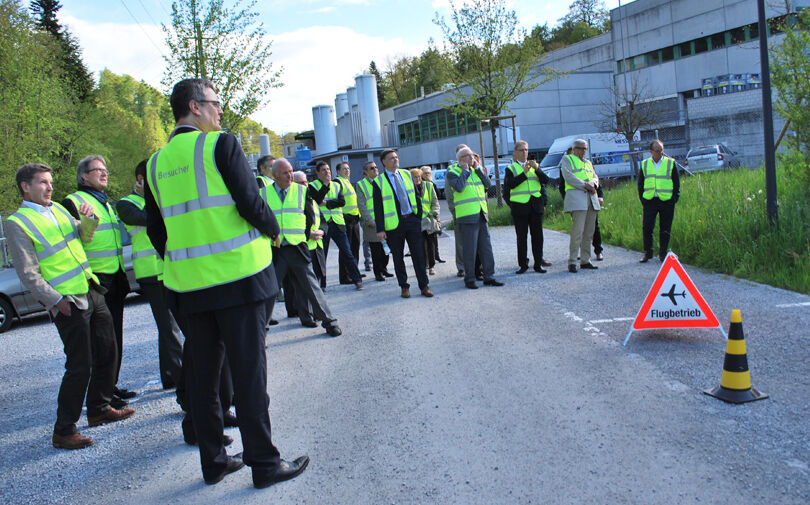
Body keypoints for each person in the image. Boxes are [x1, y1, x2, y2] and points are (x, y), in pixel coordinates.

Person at [145, 78, 308, 488]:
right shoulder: (219, 144)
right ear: (195, 107)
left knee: (203, 378)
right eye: (216, 104)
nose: (220, 111)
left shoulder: (154, 164)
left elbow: (157, 232)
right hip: (239, 280)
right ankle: (265, 464)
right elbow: (250, 202)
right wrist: (273, 230)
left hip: (187, 289)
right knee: (249, 374)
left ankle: (214, 461)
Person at [7, 163, 135, 450]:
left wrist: (89, 221)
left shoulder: (59, 210)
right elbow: (28, 273)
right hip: (67, 302)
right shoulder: (18, 222)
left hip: (89, 290)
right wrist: (55, 301)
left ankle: (100, 409)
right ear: (25, 187)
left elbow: (84, 236)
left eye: (50, 182)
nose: (50, 187)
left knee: (108, 352)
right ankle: (64, 430)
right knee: (80, 365)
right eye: (42, 182)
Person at [63, 155, 135, 407]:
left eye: (106, 170)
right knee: (101, 343)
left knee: (114, 337)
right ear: (83, 176)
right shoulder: (73, 202)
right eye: (98, 171)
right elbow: (76, 241)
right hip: (96, 281)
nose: (105, 174)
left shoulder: (105, 203)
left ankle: (110, 386)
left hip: (115, 278)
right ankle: (102, 395)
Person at [116, 160, 182, 389]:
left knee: (169, 325)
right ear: (140, 179)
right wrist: (156, 197)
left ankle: (170, 376)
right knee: (169, 326)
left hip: (169, 267)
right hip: (151, 272)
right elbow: (146, 219)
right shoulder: (125, 204)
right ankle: (183, 378)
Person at [260, 159, 341, 335]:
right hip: (276, 249)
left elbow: (310, 217)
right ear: (274, 176)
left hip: (297, 248)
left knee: (312, 286)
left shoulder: (302, 191)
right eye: (285, 172)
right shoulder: (263, 194)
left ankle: (330, 322)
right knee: (269, 291)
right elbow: (260, 219)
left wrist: (304, 236)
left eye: (290, 171)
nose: (290, 175)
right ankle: (260, 333)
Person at [372, 149, 434, 298]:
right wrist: (380, 229)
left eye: (396, 157)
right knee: (398, 257)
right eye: (391, 158)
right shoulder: (378, 182)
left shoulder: (406, 174)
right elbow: (378, 207)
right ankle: (404, 286)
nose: (395, 159)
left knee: (418, 255)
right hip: (394, 225)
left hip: (411, 220)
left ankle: (424, 286)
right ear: (384, 162)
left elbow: (416, 195)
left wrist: (418, 215)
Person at [447, 147, 504, 289]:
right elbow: (459, 187)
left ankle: (489, 276)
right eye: (469, 156)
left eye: (472, 155)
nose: (472, 158)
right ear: (461, 159)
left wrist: (477, 169)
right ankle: (470, 278)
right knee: (470, 250)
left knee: (486, 247)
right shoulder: (453, 172)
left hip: (481, 213)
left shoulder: (476, 170)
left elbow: (488, 185)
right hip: (466, 216)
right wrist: (465, 171)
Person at [309, 161, 363, 290]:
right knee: (322, 256)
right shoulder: (312, 185)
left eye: (328, 169)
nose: (327, 172)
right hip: (323, 225)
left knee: (347, 252)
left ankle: (357, 279)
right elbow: (317, 199)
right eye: (323, 170)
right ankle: (322, 284)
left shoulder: (337, 185)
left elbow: (341, 202)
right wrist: (326, 186)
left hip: (338, 223)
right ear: (318, 173)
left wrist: (326, 203)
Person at [504, 140, 550, 274]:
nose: (524, 152)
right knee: (522, 237)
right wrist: (523, 174)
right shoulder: (511, 168)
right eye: (521, 150)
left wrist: (537, 169)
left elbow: (545, 181)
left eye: (526, 150)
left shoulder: (534, 166)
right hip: (520, 207)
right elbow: (510, 186)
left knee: (538, 236)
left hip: (535, 206)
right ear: (516, 153)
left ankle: (538, 263)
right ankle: (523, 264)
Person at [561, 139, 601, 273]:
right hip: (577, 199)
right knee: (577, 231)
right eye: (581, 148)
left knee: (589, 232)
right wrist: (585, 185)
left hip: (591, 198)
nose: (583, 151)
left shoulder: (588, 162)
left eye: (585, 148)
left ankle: (585, 260)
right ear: (574, 149)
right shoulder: (568, 159)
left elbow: (595, 176)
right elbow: (569, 176)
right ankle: (572, 261)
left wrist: (593, 184)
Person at [638, 139, 680, 262]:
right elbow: (640, 183)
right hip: (650, 200)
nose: (660, 153)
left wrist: (674, 198)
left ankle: (663, 253)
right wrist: (643, 199)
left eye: (661, 150)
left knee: (665, 227)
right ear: (651, 151)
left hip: (666, 201)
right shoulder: (645, 164)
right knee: (647, 227)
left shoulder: (671, 163)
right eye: (657, 151)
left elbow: (676, 183)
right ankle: (648, 252)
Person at [356, 161, 392, 282]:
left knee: (387, 248)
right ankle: (378, 272)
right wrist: (369, 220)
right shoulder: (361, 185)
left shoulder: (382, 180)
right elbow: (361, 205)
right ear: (365, 172)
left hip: (386, 220)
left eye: (376, 167)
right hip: (372, 223)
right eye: (372, 168)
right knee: (376, 250)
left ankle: (384, 268)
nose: (375, 169)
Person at [334, 162, 363, 284]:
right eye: (344, 169)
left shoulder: (347, 182)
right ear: (338, 171)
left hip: (354, 218)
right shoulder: (337, 182)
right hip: (346, 219)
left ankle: (354, 272)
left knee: (355, 247)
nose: (347, 170)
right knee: (346, 249)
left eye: (348, 168)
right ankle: (345, 276)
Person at [412, 167, 441, 275]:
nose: (417, 179)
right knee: (421, 245)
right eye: (415, 177)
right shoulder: (410, 189)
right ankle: (425, 265)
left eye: (419, 176)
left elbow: (435, 201)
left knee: (431, 244)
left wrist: (434, 213)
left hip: (429, 219)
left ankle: (431, 266)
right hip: (417, 221)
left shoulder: (429, 185)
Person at [420, 166, 445, 264]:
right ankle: (428, 260)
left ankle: (436, 256)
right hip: (424, 217)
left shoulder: (431, 184)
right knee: (426, 240)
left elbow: (438, 195)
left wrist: (431, 181)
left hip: (433, 215)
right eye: (426, 173)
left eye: (429, 173)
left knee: (434, 237)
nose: (428, 175)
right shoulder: (420, 185)